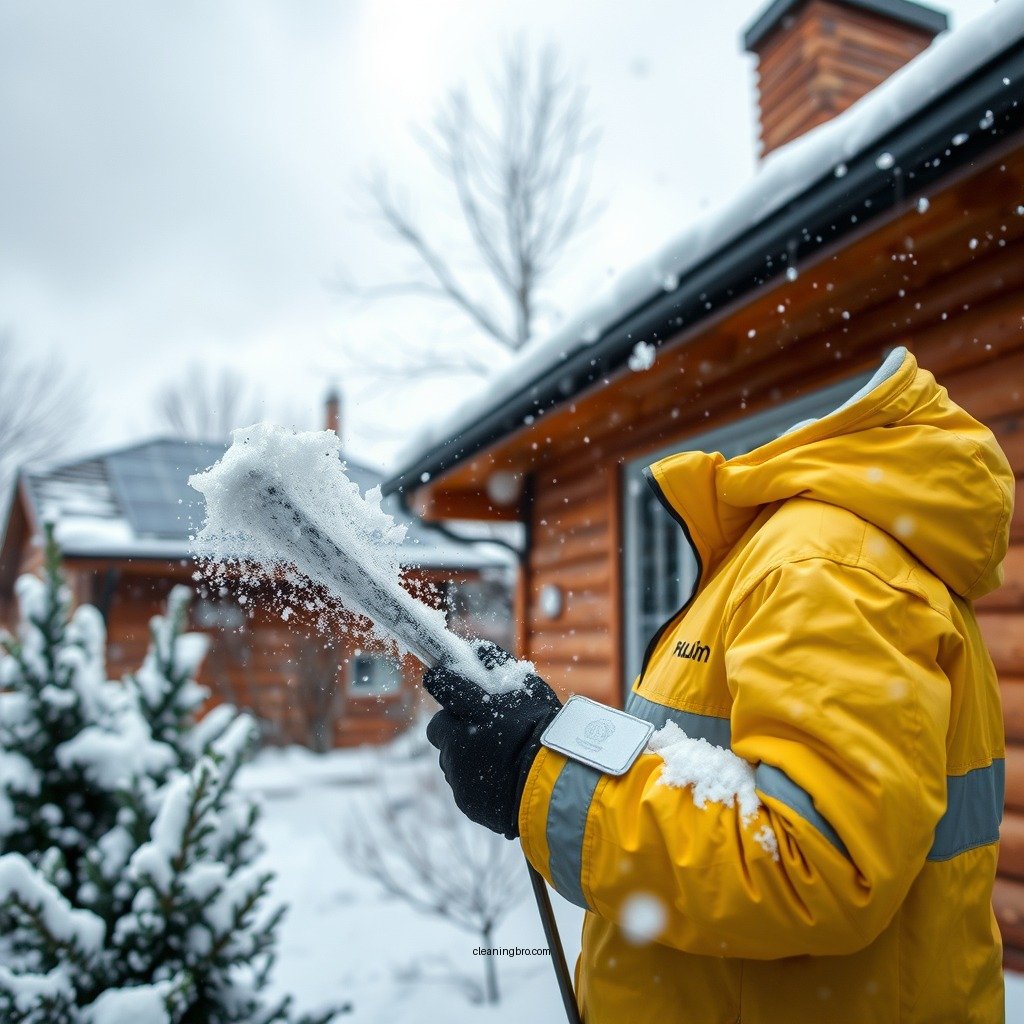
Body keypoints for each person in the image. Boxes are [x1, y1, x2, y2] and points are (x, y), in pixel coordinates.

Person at [424, 345, 1013, 1023]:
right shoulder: (802, 557)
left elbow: (813, 865)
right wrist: (551, 740)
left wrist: (536, 774)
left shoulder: (824, 568)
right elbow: (700, 756)